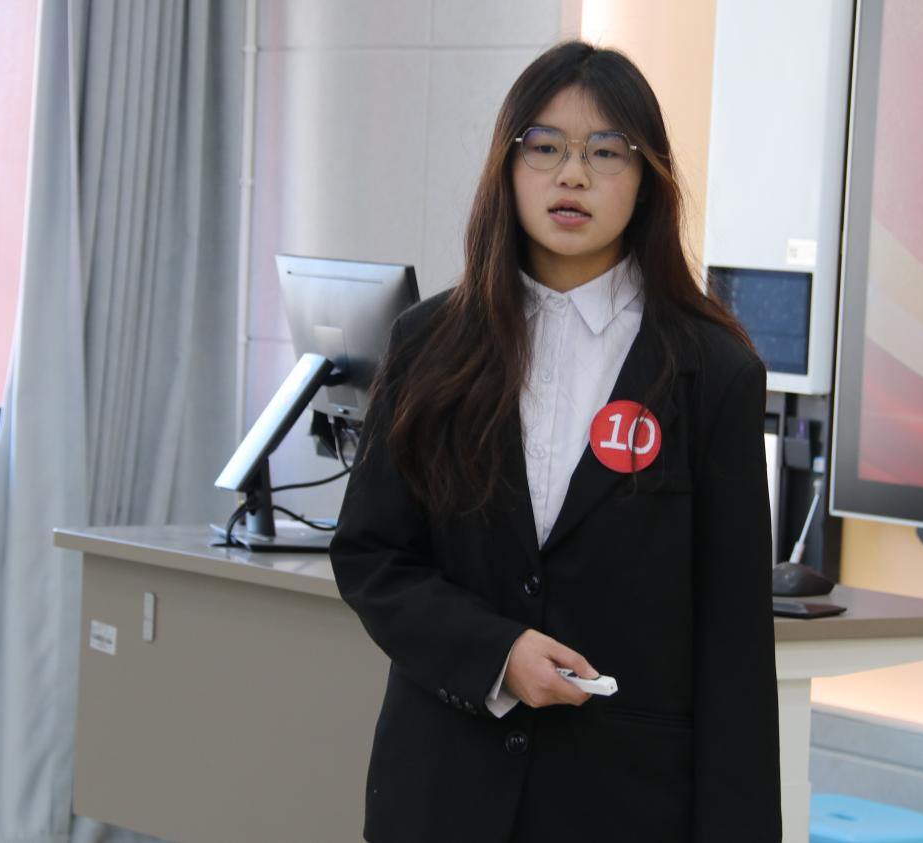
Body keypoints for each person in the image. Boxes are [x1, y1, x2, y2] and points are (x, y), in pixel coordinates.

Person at [329, 39, 780, 843]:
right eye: (544, 147)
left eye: (606, 151)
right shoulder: (430, 343)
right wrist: (496, 654)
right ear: (507, 167)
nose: (572, 175)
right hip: (442, 797)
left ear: (646, 180)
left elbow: (735, 644)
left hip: (624, 805)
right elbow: (372, 554)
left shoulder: (712, 370)